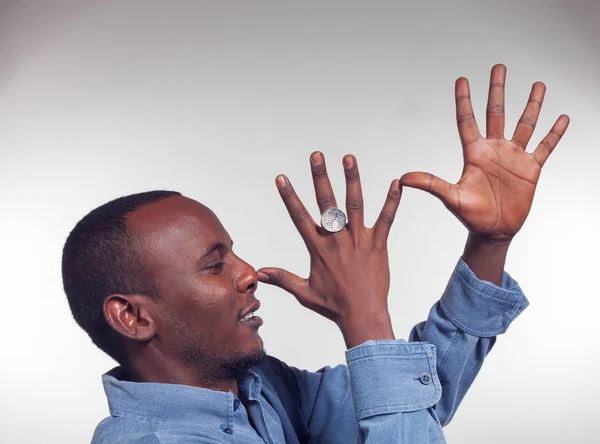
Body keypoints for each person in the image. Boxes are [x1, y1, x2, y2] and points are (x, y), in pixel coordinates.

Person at [62, 64, 568, 443]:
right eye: (214, 265)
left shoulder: (260, 388)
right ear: (131, 315)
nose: (247, 274)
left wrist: (490, 243)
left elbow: (411, 403)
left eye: (233, 255)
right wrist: (366, 318)